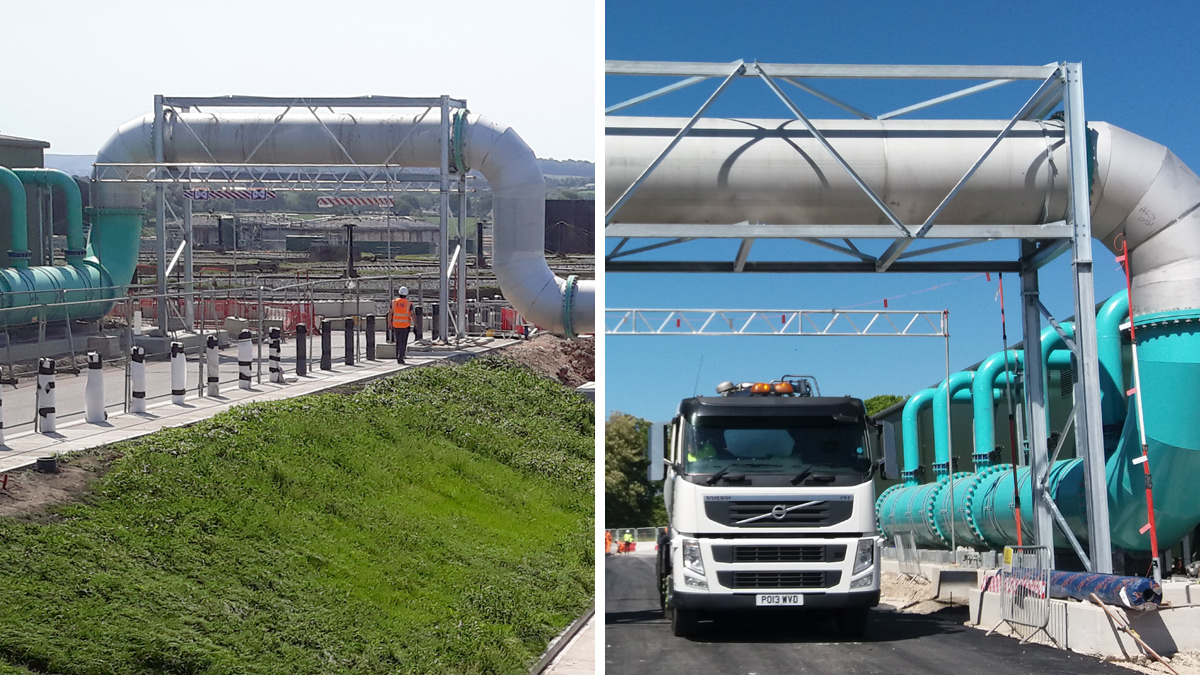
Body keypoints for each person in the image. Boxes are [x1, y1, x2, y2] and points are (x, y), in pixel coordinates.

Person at [390, 286, 414, 365]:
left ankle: (398, 355)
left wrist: (389, 323)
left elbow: (390, 313)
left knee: (398, 341)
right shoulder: (409, 304)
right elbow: (413, 314)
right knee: (403, 342)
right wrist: (416, 324)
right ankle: (401, 357)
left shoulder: (393, 302)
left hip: (396, 325)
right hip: (405, 325)